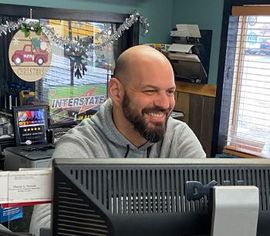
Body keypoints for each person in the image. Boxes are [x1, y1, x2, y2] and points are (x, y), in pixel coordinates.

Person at [30, 45, 205, 236]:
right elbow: (44, 229)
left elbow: (209, 211)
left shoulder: (179, 138)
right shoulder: (79, 148)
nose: (164, 103)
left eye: (170, 92)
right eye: (150, 91)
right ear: (116, 91)